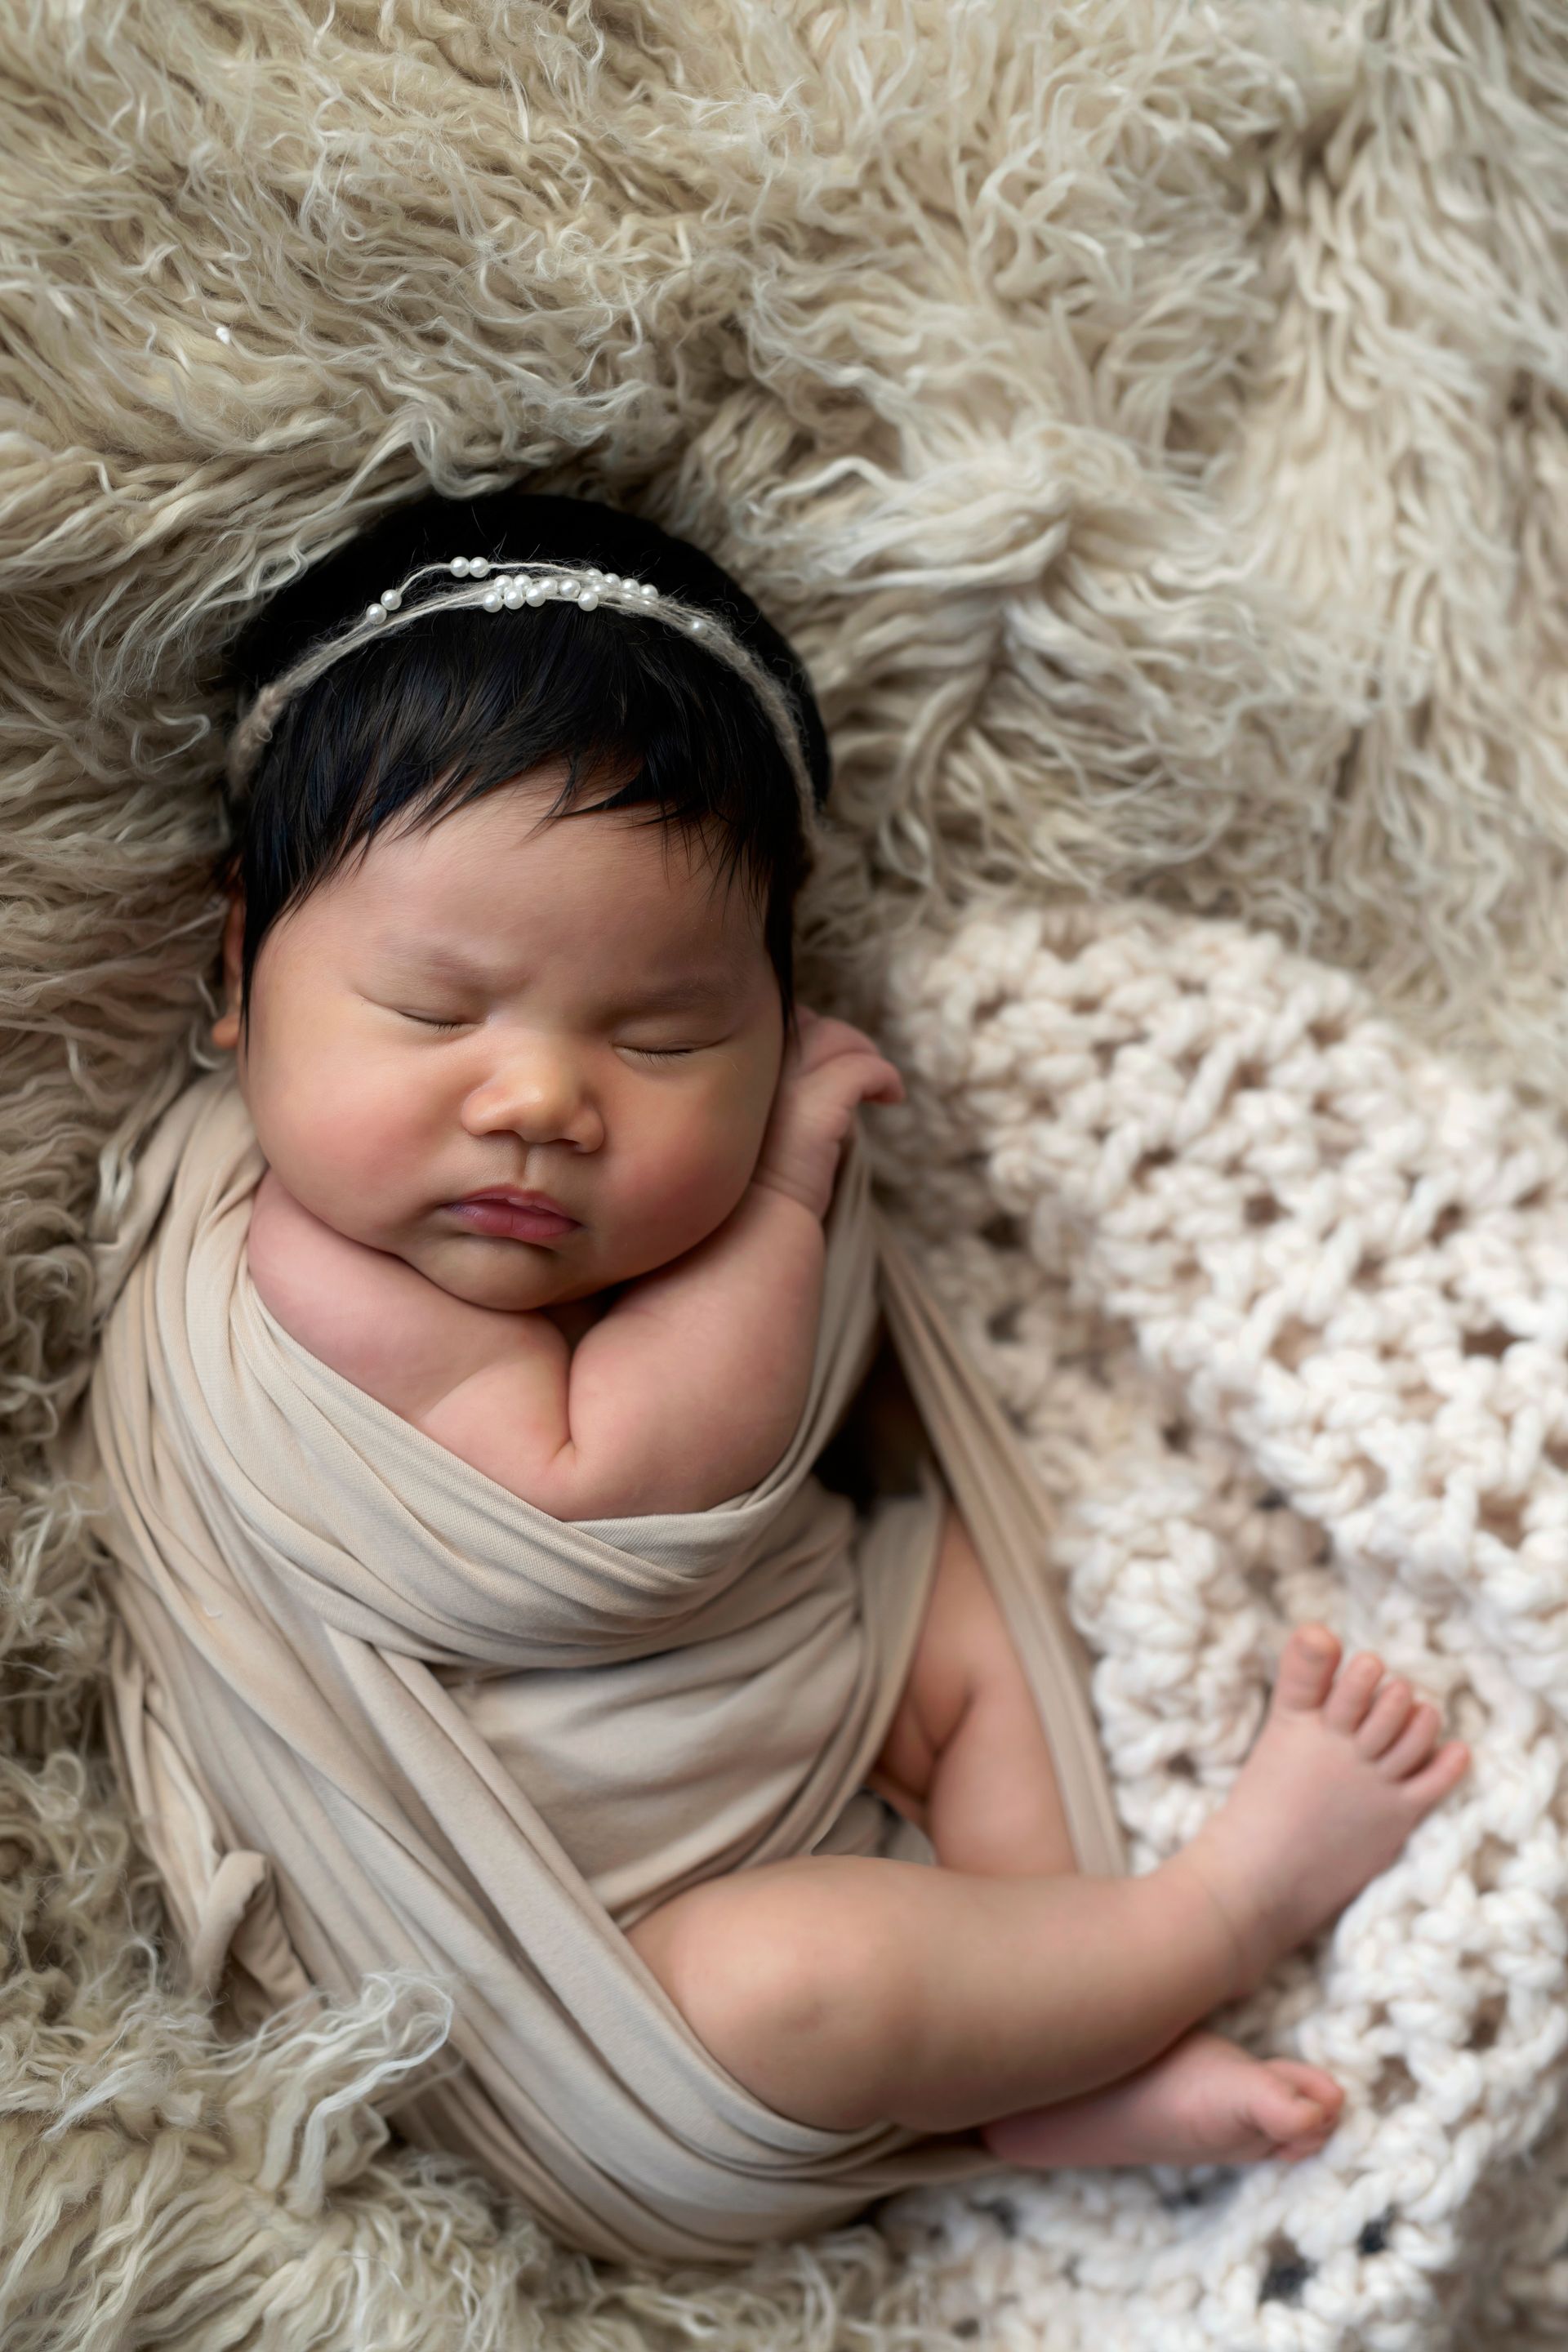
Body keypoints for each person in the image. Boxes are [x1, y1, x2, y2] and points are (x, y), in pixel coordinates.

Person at [68, 488, 1470, 2264]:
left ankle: (1039, 2011)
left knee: (957, 1611)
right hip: (623, 1984)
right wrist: (785, 1190)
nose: (543, 1101)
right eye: (435, 1014)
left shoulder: (617, 1224)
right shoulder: (298, 1267)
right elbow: (601, 1476)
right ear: (236, 975)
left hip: (793, 1679)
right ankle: (1208, 1915)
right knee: (789, 1975)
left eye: (666, 1035)